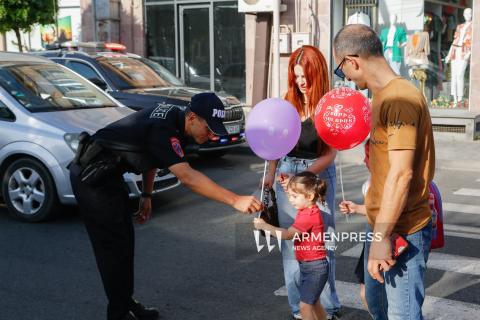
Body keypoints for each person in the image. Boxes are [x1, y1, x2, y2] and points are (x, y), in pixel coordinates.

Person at [69, 92, 262, 320]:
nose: (211, 136)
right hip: (93, 180)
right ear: (192, 118)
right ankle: (118, 314)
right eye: (208, 129)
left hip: (109, 175)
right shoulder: (165, 129)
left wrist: (146, 194)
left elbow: (151, 155)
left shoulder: (173, 118)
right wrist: (235, 199)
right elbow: (188, 177)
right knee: (112, 250)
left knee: (125, 243)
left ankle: (126, 301)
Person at [333, 24, 435, 320]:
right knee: (376, 303)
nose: (346, 78)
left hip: (400, 228)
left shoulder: (399, 98)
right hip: (381, 224)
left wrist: (381, 237)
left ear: (352, 61)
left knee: (401, 315)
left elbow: (402, 174)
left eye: (342, 71)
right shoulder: (380, 97)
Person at [264, 45, 341, 320]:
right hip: (287, 171)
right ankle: (300, 310)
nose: (301, 82)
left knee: (322, 244)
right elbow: (274, 143)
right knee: (292, 245)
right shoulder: (288, 101)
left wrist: (303, 178)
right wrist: (271, 174)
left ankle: (327, 308)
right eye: (296, 76)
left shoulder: (330, 107)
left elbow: (331, 153)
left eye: (306, 75)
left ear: (317, 73)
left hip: (318, 173)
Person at [254, 172, 329, 320]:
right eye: (289, 195)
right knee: (313, 302)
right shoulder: (307, 209)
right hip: (311, 265)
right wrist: (284, 182)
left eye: (294, 196)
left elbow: (287, 235)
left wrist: (265, 226)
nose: (290, 199)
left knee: (305, 306)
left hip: (314, 267)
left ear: (309, 197)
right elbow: (294, 190)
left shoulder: (308, 216)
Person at [338, 140, 371, 312]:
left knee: (371, 292)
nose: (364, 161)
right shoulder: (374, 178)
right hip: (373, 234)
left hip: (384, 236)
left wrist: (358, 208)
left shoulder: (387, 180)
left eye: (368, 156)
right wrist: (356, 208)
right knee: (367, 291)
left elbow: (385, 210)